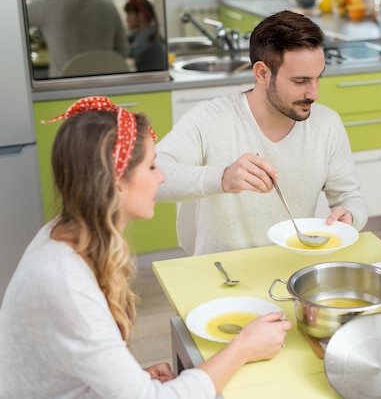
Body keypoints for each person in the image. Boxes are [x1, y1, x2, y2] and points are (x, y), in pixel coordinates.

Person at [0, 97, 293, 398]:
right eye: (151, 166)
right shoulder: (65, 281)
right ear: (117, 182)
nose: (162, 176)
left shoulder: (67, 232)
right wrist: (243, 347)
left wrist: (132, 377)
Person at [156, 10, 368, 255]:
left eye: (318, 78)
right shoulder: (210, 118)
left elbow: (350, 198)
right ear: (263, 73)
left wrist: (350, 215)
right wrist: (222, 178)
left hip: (292, 269)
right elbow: (154, 175)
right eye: (300, 81)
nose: (314, 94)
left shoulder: (327, 124)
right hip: (222, 273)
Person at [26, 0, 128, 77]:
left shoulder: (47, 4)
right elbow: (122, 51)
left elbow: (14, 22)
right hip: (103, 86)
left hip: (61, 89)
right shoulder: (109, 7)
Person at [124, 0, 167, 72]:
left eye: (129, 14)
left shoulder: (148, 36)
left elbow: (128, 52)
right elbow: (125, 39)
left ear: (141, 15)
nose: (127, 19)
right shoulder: (141, 33)